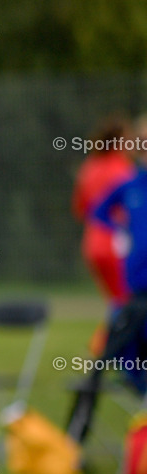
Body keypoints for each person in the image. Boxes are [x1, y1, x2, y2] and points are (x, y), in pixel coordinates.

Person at [72, 113, 136, 354]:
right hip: (116, 243)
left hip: (92, 244)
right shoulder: (122, 169)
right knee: (131, 301)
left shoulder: (90, 166)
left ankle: (107, 351)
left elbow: (80, 209)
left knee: (119, 301)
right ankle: (109, 352)